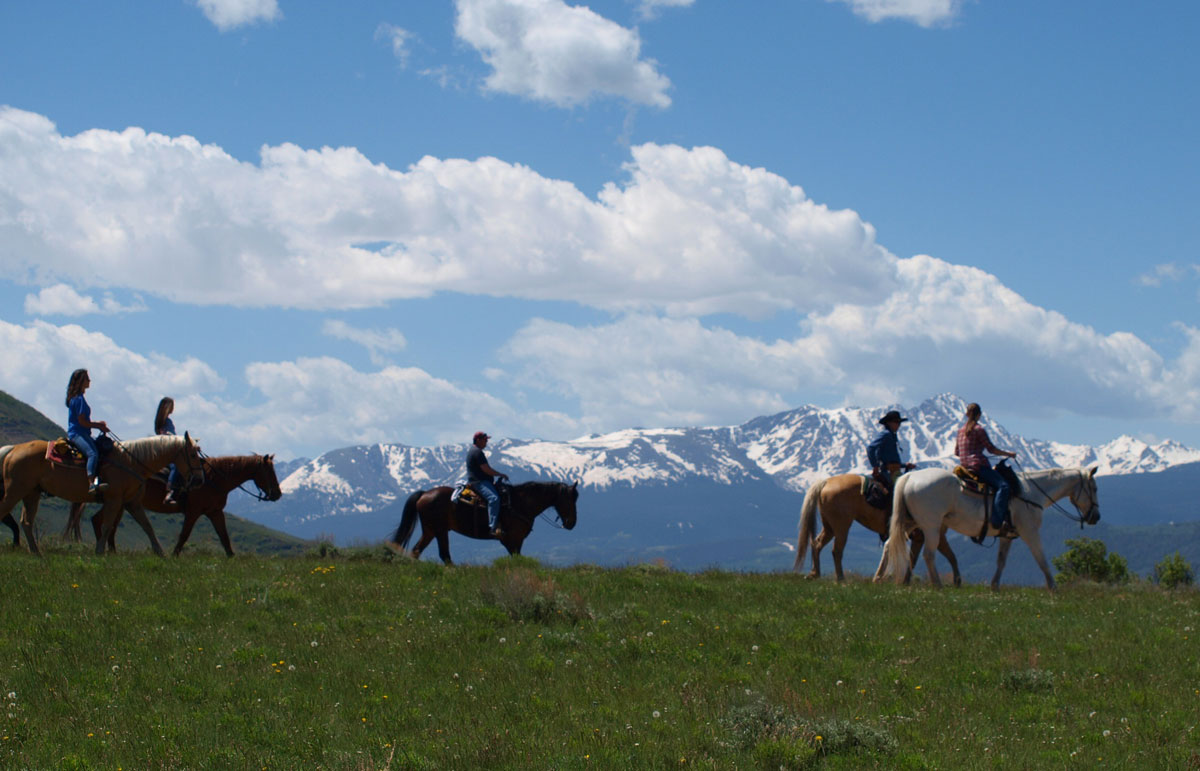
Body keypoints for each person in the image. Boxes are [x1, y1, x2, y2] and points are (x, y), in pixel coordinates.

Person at [955, 402, 1017, 535]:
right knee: (1004, 486)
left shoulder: (960, 431)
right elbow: (991, 449)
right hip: (978, 467)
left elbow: (956, 452)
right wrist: (1009, 454)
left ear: (967, 414)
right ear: (979, 415)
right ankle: (997, 520)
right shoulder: (979, 429)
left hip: (964, 467)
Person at [65, 368, 109, 494]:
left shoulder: (78, 398)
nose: (89, 380)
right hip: (77, 434)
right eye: (87, 378)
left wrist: (98, 424)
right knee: (92, 454)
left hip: (82, 433)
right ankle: (91, 483)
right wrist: (99, 426)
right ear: (81, 381)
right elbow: (82, 422)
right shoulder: (78, 399)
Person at [466, 431, 508, 538]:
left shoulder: (474, 451)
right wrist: (500, 474)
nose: (486, 443)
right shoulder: (477, 452)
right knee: (494, 499)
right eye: (485, 440)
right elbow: (486, 469)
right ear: (478, 440)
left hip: (480, 481)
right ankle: (492, 527)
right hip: (479, 482)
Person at [866, 409, 915, 491]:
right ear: (888, 423)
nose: (898, 425)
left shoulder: (891, 435)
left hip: (894, 470)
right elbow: (870, 448)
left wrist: (904, 465)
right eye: (896, 422)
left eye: (899, 422)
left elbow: (890, 459)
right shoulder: (886, 434)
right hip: (889, 473)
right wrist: (875, 466)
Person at [154, 396, 184, 505]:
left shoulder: (165, 420)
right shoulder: (163, 421)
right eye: (171, 405)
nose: (173, 408)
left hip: (170, 446)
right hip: (167, 449)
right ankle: (170, 490)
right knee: (176, 466)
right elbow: (166, 435)